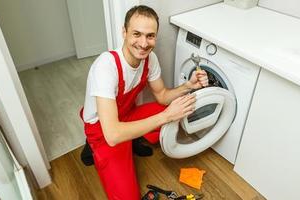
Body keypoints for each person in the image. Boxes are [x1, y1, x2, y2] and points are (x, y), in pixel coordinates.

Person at [79, 5, 208, 199]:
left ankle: (131, 139)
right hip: (103, 130)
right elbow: (113, 134)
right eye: (136, 34)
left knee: (175, 109)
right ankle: (92, 147)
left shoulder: (150, 59)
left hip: (126, 116)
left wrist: (188, 86)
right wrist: (166, 116)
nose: (143, 43)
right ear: (124, 32)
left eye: (150, 36)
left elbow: (162, 95)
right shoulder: (106, 66)